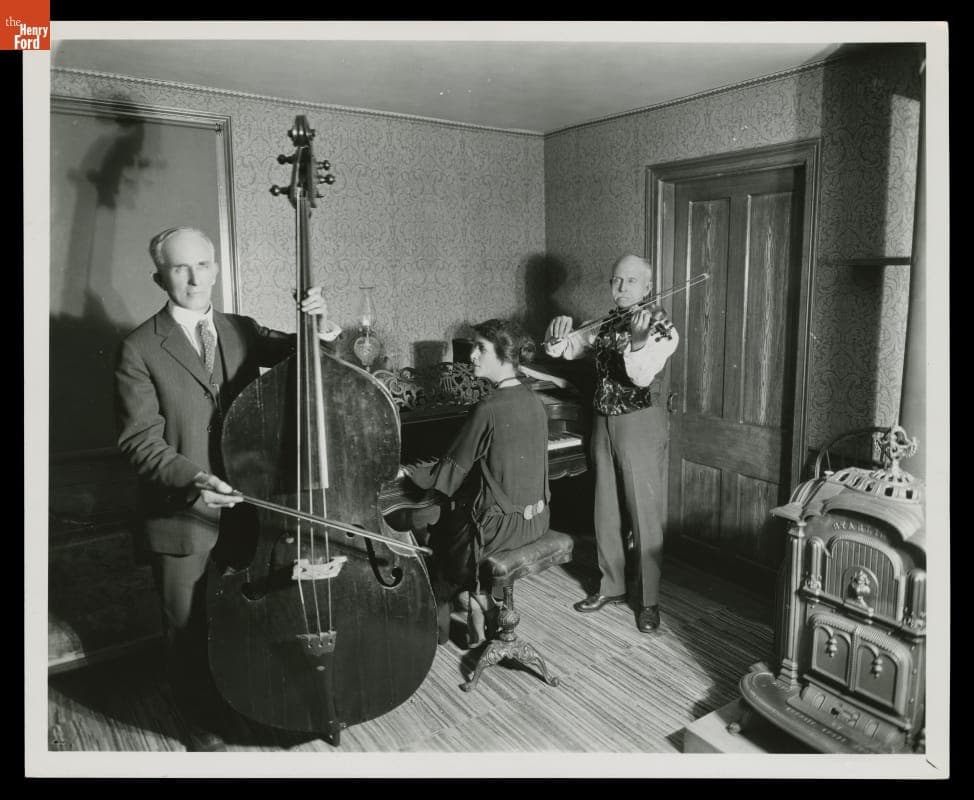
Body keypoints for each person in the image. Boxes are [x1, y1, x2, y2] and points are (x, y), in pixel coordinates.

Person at [114, 226, 339, 750]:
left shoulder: (241, 329)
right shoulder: (138, 348)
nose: (195, 278)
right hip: (183, 516)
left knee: (243, 620)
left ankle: (252, 706)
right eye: (180, 268)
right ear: (160, 276)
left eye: (204, 265)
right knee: (188, 627)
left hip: (249, 513)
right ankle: (199, 721)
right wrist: (193, 480)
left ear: (217, 267)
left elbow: (305, 358)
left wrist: (320, 327)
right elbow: (140, 442)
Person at [544, 254, 679, 634]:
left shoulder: (663, 327)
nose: (621, 289)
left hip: (640, 422)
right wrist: (556, 338)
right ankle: (612, 585)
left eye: (630, 282)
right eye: (616, 281)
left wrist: (637, 343)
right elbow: (568, 348)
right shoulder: (605, 322)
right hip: (602, 420)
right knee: (605, 506)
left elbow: (640, 376)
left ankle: (649, 600)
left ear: (648, 288)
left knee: (644, 512)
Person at [401, 319, 551, 646]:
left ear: (503, 355)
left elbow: (448, 473)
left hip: (499, 532)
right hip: (536, 521)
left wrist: (406, 472)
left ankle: (462, 611)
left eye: (481, 348)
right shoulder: (534, 401)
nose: (472, 356)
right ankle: (484, 601)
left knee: (439, 535)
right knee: (461, 516)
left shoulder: (488, 407)